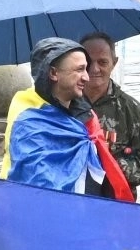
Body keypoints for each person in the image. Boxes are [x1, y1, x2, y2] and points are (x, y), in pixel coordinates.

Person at [7, 38, 132, 198]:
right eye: (79, 70)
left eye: (85, 70)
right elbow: (38, 188)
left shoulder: (87, 118)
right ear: (53, 73)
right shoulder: (29, 125)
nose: (86, 77)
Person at [78, 32, 140, 194]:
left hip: (115, 202)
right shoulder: (65, 104)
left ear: (114, 63)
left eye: (102, 62)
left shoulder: (131, 109)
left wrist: (111, 165)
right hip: (73, 199)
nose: (94, 69)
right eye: (88, 62)